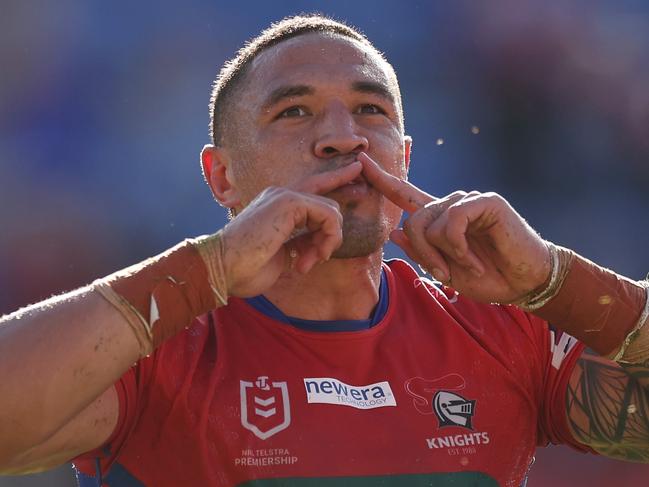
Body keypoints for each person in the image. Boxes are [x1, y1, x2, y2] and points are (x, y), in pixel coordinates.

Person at [1, 14, 648, 487]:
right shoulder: (154, 341)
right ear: (221, 177)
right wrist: (208, 269)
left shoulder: (506, 332)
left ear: (405, 155)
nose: (343, 139)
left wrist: (554, 280)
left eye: (370, 111)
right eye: (294, 113)